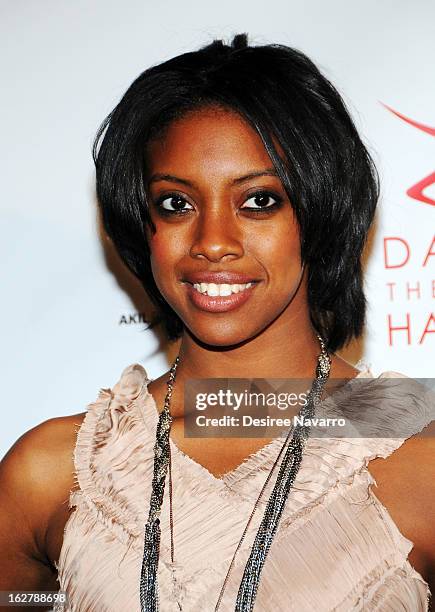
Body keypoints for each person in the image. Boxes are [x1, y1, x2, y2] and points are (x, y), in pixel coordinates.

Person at [0, 34, 434, 612]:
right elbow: (25, 601)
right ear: (141, 222)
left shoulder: (422, 458)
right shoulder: (48, 474)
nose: (212, 243)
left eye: (259, 201)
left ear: (321, 212)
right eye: (176, 204)